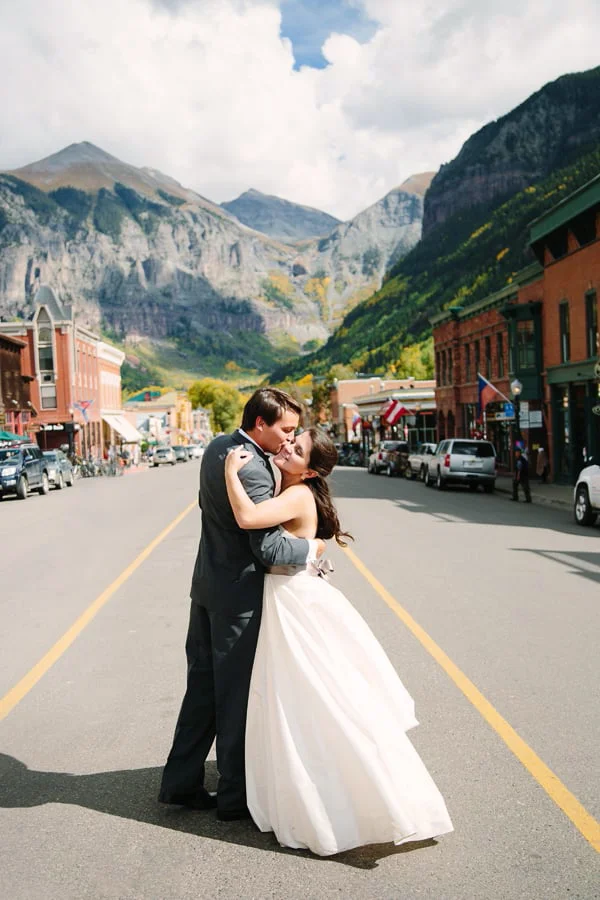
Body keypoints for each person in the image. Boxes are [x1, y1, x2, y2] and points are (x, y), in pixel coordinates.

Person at [224, 427, 454, 856]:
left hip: (294, 601)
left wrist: (228, 474)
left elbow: (246, 519)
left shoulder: (297, 495)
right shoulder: (290, 487)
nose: (287, 445)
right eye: (291, 439)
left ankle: (349, 797)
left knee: (317, 698)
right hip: (290, 597)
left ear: (310, 470)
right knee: (302, 698)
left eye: (298, 447)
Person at [159, 389, 324, 821]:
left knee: (201, 692)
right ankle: (234, 798)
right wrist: (312, 550)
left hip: (207, 589)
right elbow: (267, 547)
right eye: (285, 430)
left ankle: (181, 783)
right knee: (235, 701)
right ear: (259, 426)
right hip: (238, 601)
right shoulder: (253, 471)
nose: (288, 440)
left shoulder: (217, 447)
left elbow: (206, 508)